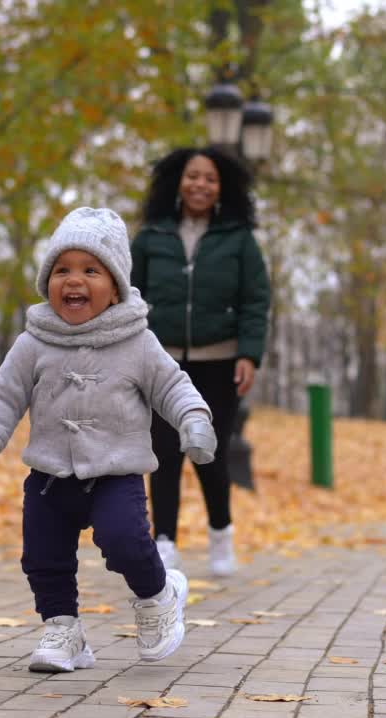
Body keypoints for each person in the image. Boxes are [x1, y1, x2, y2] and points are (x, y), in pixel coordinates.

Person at [0, 207, 218, 672]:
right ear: (47, 282)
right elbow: (3, 397)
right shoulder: (33, 341)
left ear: (115, 286)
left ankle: (160, 596)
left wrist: (194, 420)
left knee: (125, 542)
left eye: (90, 270)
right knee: (43, 555)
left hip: (116, 473)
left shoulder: (137, 341)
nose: (73, 280)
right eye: (62, 270)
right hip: (49, 475)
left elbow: (172, 385)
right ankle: (64, 630)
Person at [130, 147, 270, 577]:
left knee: (210, 452)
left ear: (221, 187)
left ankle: (220, 533)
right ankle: (165, 543)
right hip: (163, 361)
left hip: (219, 361)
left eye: (209, 178)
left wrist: (249, 353)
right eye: (193, 176)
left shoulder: (239, 239)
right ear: (178, 181)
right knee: (164, 453)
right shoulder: (152, 235)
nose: (200, 185)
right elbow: (130, 295)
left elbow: (255, 300)